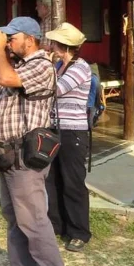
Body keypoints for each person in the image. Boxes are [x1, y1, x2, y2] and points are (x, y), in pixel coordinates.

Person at [0, 16, 67, 266]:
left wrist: (0, 52)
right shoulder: (14, 65)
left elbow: (5, 78)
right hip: (7, 153)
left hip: (26, 156)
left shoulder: (40, 65)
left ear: (30, 38)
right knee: (13, 216)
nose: (9, 42)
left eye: (12, 38)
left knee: (33, 219)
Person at [44, 23, 92, 252]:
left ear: (62, 46)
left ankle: (79, 231)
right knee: (52, 179)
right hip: (55, 129)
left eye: (54, 42)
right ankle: (56, 224)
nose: (50, 45)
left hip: (73, 132)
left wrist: (47, 66)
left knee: (73, 182)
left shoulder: (80, 68)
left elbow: (55, 89)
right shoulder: (60, 65)